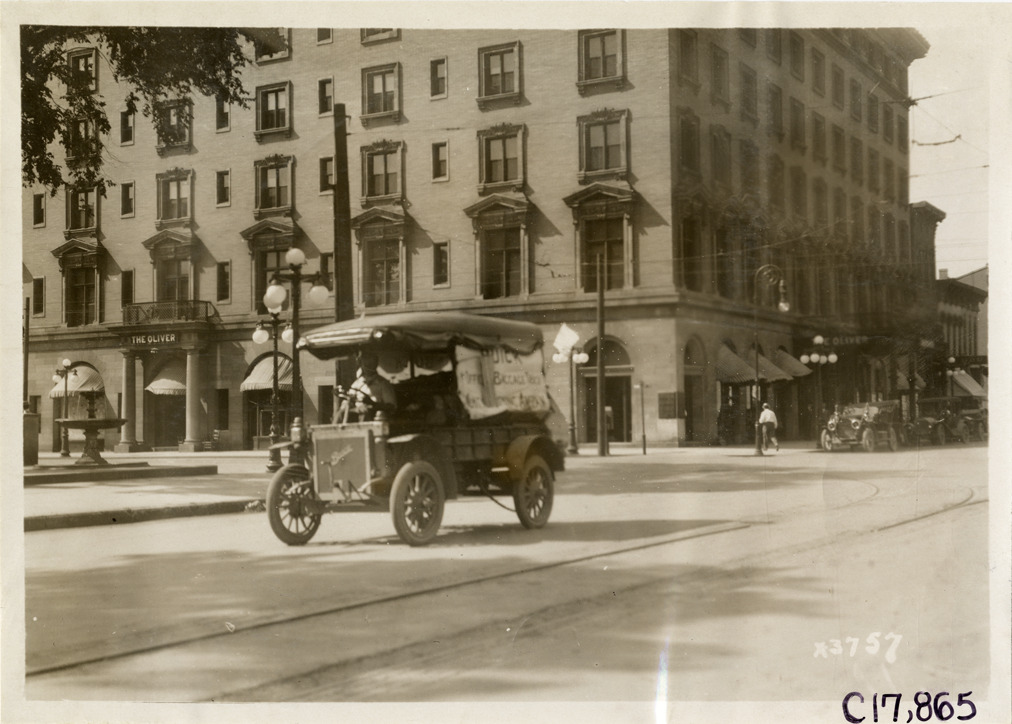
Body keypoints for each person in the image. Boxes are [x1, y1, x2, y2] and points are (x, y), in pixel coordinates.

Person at [347, 351, 396, 421]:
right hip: (357, 411)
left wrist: (372, 404)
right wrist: (347, 402)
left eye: (371, 364)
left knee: (365, 412)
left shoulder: (383, 383)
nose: (368, 366)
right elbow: (349, 397)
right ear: (361, 364)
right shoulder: (357, 383)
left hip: (374, 413)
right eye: (366, 363)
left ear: (375, 364)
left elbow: (391, 407)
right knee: (341, 413)